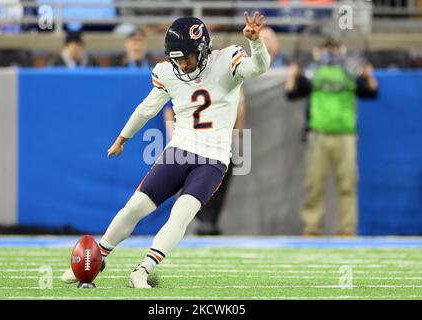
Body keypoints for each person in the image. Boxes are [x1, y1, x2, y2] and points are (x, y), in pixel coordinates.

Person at [61, 12, 271, 288]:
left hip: (214, 158)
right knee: (136, 205)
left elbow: (260, 67)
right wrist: (122, 138)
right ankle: (97, 258)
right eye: (177, 59)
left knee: (182, 213)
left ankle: (142, 271)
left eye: (187, 57)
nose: (183, 65)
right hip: (180, 149)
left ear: (203, 49)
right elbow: (147, 108)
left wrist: (256, 43)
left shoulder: (227, 60)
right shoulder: (168, 71)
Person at [285, 38, 378, 237]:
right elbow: (291, 93)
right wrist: (292, 75)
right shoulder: (313, 72)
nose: (331, 51)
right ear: (321, 50)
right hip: (318, 134)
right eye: (327, 47)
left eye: (334, 47)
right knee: (314, 184)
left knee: (347, 184)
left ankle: (347, 229)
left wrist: (370, 75)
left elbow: (371, 92)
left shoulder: (350, 72)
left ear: (341, 49)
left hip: (346, 134)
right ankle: (312, 227)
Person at [163, 92, 246, 236]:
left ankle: (207, 222)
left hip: (211, 142)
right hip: (200, 143)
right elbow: (169, 108)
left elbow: (240, 105)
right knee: (195, 186)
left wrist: (235, 135)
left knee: (213, 186)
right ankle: (197, 222)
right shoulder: (193, 80)